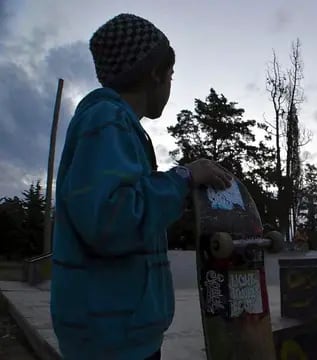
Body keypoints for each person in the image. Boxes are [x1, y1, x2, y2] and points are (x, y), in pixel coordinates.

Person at [50, 13, 232, 359]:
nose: (171, 84)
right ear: (155, 74)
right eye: (171, 75)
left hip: (120, 333)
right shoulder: (107, 121)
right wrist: (184, 177)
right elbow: (113, 220)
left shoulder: (115, 125)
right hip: (113, 341)